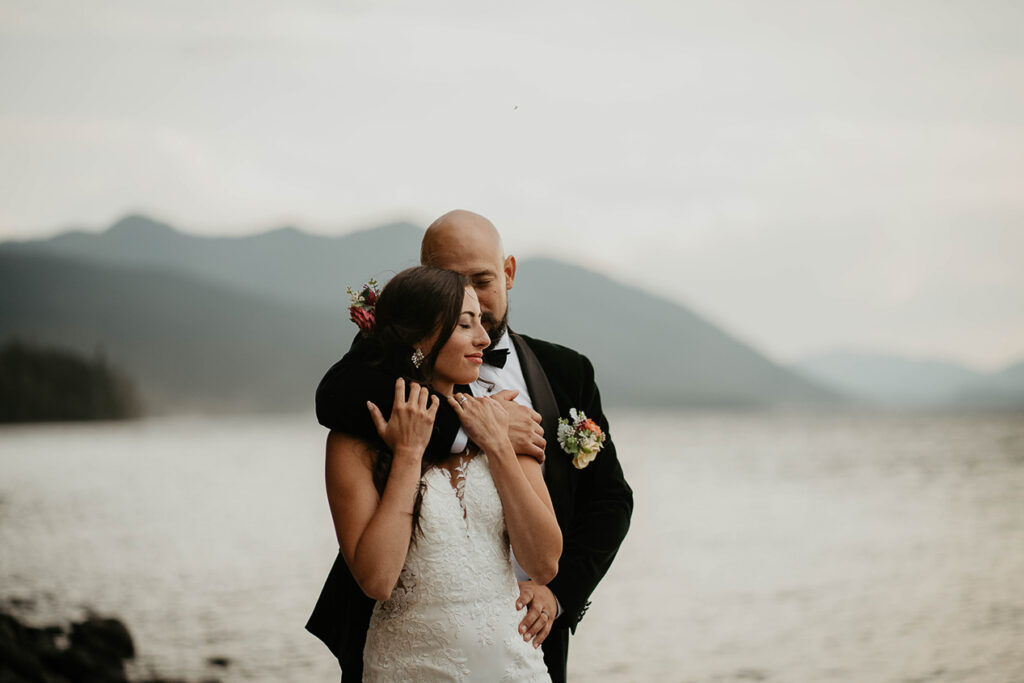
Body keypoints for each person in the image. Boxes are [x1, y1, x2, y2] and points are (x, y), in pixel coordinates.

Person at [307, 210, 634, 682]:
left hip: (523, 639)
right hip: (402, 645)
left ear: (508, 273)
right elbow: (333, 398)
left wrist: (558, 593)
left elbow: (608, 500)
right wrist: (466, 430)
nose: (474, 306)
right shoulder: (375, 377)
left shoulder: (567, 373)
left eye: (482, 280)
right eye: (450, 284)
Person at [322, 265, 560, 680]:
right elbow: (377, 580)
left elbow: (544, 563)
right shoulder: (354, 444)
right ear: (420, 337)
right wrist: (409, 453)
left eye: (482, 323)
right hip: (410, 668)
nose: (484, 338)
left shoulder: (505, 420)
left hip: (515, 668)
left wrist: (498, 444)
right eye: (465, 324)